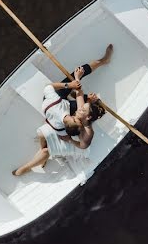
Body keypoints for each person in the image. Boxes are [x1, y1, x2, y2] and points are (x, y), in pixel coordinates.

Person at [12, 44, 113, 176]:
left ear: (86, 119)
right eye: (79, 110)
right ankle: (103, 61)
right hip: (66, 123)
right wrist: (76, 78)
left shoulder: (87, 132)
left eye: (80, 112)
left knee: (45, 148)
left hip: (72, 141)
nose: (78, 111)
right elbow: (79, 94)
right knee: (77, 85)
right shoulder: (80, 112)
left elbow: (83, 146)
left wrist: (70, 140)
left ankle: (27, 167)